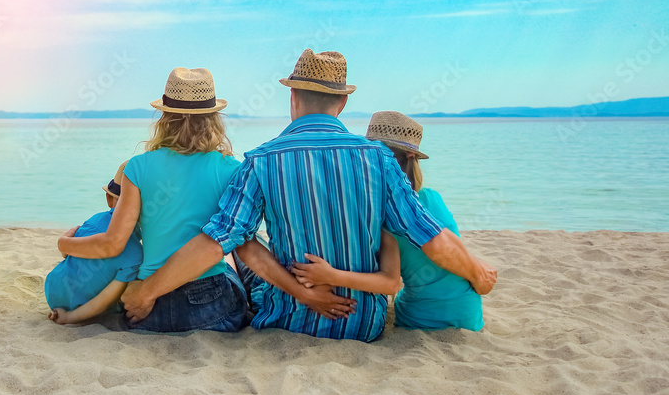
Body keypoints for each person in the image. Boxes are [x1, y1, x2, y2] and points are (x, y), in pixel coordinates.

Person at [122, 49, 497, 342]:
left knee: (246, 247)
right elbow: (431, 237)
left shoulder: (262, 160)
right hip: (362, 324)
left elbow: (218, 241)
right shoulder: (379, 158)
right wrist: (477, 273)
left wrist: (146, 293)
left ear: (293, 97)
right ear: (343, 103)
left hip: (290, 319)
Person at [56, 67, 250, 333]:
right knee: (232, 263)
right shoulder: (231, 168)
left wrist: (65, 243)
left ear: (164, 117)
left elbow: (112, 244)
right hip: (208, 306)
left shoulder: (137, 168)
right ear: (213, 118)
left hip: (150, 310)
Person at [293, 112, 484, 331]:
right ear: (412, 156)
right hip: (470, 311)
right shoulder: (432, 197)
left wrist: (330, 276)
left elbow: (390, 283)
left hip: (424, 318)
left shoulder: (384, 212)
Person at [46, 161, 143, 325]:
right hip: (79, 307)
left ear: (109, 199)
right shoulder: (136, 254)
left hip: (52, 289)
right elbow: (104, 301)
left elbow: (68, 252)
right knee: (122, 292)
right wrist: (69, 317)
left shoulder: (95, 219)